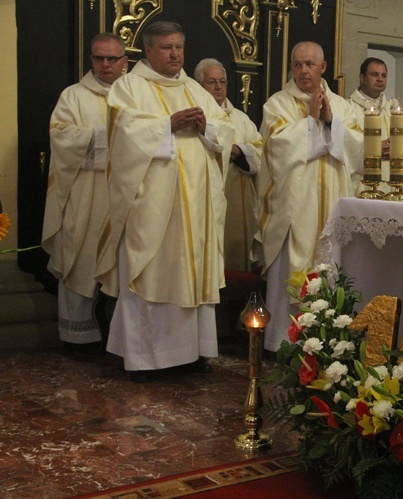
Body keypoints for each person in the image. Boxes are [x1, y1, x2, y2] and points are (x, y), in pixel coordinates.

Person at [96, 21, 234, 381]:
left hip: (197, 205)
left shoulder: (195, 89)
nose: (175, 55)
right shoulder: (129, 87)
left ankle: (192, 352)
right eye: (166, 48)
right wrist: (166, 125)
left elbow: (225, 129)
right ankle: (145, 358)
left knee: (192, 272)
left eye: (179, 47)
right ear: (148, 51)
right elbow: (121, 135)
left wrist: (207, 129)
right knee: (152, 274)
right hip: (153, 204)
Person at [257, 41, 362, 350]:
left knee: (329, 269)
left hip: (333, 206)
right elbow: (275, 150)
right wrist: (309, 121)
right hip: (294, 209)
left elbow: (358, 149)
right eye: (297, 65)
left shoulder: (343, 106)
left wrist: (329, 121)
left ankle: (328, 343)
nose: (302, 71)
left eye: (309, 64)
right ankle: (282, 342)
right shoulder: (277, 104)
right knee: (292, 271)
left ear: (323, 67)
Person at [41, 33, 129, 350]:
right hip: (86, 197)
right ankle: (79, 338)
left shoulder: (135, 96)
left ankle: (120, 339)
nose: (105, 65)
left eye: (112, 59)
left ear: (124, 62)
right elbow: (62, 139)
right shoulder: (73, 96)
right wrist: (113, 138)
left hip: (125, 197)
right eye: (98, 58)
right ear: (91, 60)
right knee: (81, 259)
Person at [196, 58, 263, 272]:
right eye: (211, 82)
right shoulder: (194, 115)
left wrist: (236, 150)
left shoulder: (241, 119)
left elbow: (260, 150)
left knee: (235, 263)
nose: (218, 87)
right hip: (202, 197)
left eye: (222, 82)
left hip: (237, 199)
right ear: (199, 85)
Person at [349, 57, 391, 193]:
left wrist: (396, 149)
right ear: (362, 78)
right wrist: (374, 150)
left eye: (383, 75)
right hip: (360, 185)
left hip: (389, 183)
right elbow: (346, 146)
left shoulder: (392, 110)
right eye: (374, 74)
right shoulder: (348, 108)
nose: (380, 79)